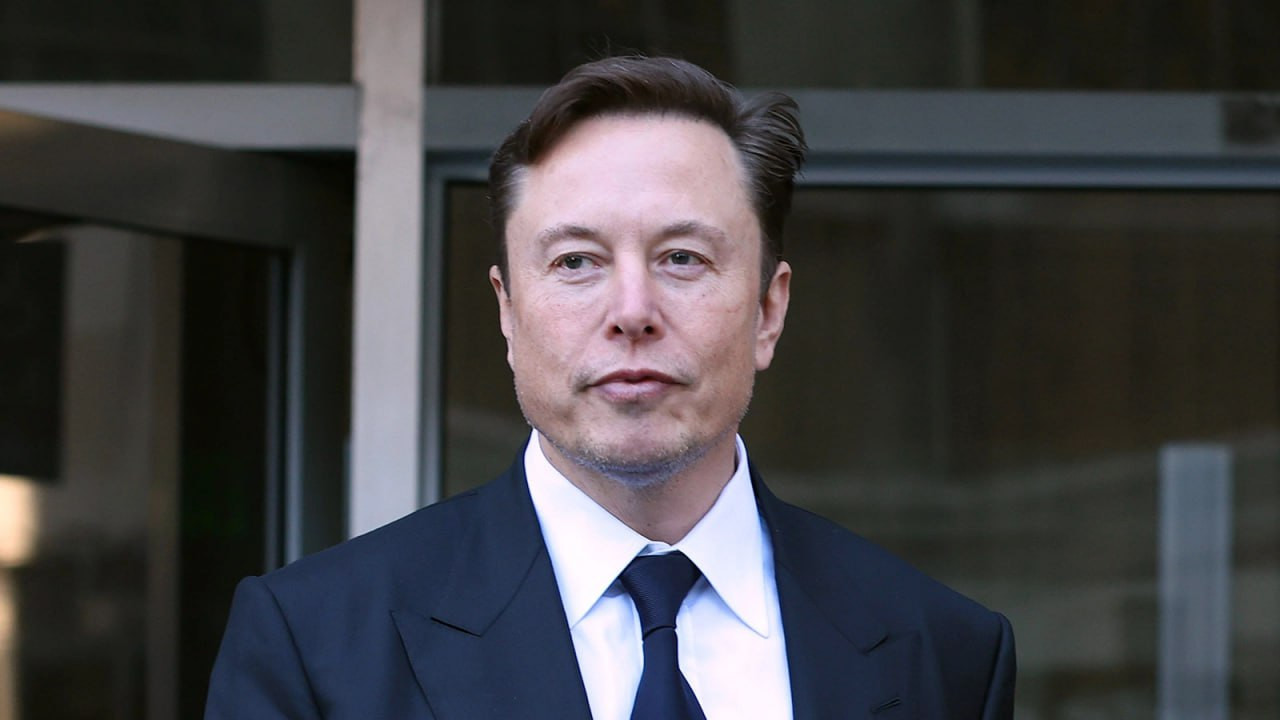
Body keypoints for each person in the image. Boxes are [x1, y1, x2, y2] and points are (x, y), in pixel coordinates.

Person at [205, 55, 1015, 719]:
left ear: (769, 311)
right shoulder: (313, 644)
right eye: (576, 262)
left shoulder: (944, 654)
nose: (632, 311)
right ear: (508, 312)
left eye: (682, 258)